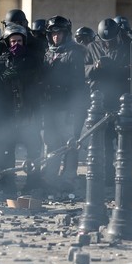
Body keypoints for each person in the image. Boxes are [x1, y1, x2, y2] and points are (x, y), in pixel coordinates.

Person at [0, 24, 41, 195]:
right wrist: (5, 75)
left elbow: (39, 80)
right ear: (7, 43)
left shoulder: (33, 60)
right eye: (12, 41)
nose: (16, 44)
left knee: (34, 149)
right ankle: (6, 185)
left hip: (27, 114)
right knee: (5, 151)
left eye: (19, 41)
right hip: (7, 114)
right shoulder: (0, 62)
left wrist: (23, 71)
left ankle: (33, 183)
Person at [41, 15, 87, 191]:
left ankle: (69, 177)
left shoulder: (73, 53)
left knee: (69, 144)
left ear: (66, 34)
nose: (56, 37)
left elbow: (78, 85)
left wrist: (73, 109)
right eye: (53, 34)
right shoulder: (49, 53)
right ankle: (50, 177)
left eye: (59, 34)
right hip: (50, 106)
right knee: (51, 143)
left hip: (66, 107)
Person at [85, 18, 132, 185]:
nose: (108, 44)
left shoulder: (126, 47)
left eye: (111, 40)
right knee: (102, 141)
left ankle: (122, 175)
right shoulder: (92, 47)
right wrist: (95, 67)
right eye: (106, 41)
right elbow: (84, 70)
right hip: (100, 101)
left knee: (122, 139)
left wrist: (112, 67)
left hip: (120, 100)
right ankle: (104, 175)